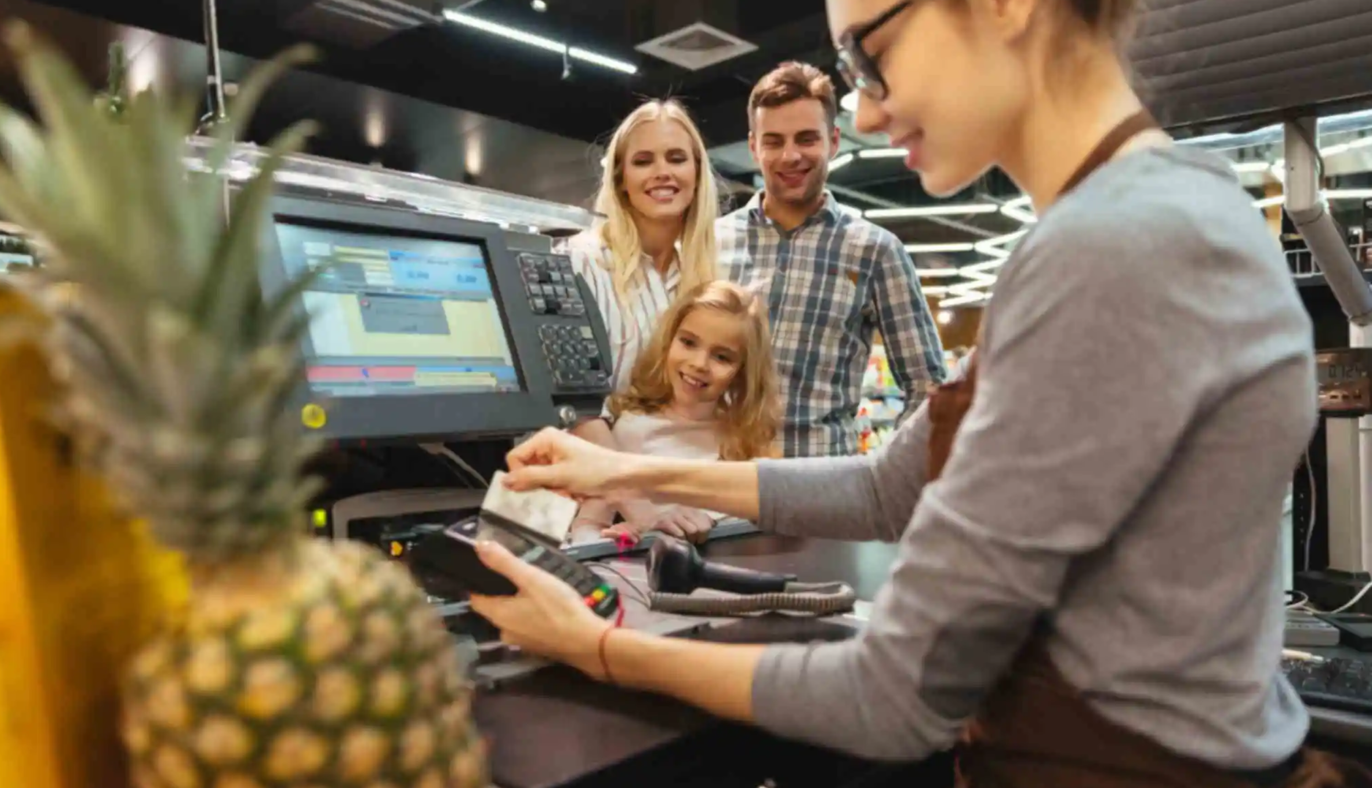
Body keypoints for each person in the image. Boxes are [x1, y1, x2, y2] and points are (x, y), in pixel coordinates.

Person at [466, 0, 1372, 785]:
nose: (859, 112)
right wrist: (618, 466)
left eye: (871, 54)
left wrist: (597, 649)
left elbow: (896, 697)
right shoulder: (1132, 216)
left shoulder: (1120, 250)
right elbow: (883, 489)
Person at [717, 61, 947, 458]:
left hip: (820, 496)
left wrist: (880, 476)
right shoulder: (713, 241)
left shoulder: (876, 251)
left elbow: (928, 388)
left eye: (807, 138)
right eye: (774, 141)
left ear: (834, 141)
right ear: (754, 146)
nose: (791, 156)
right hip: (714, 492)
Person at [557, 98, 721, 534]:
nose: (662, 172)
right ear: (621, 178)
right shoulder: (580, 262)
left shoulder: (707, 277)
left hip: (672, 510)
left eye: (676, 158)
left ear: (697, 173)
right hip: (580, 509)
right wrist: (644, 511)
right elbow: (573, 409)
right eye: (643, 161)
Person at [568, 281, 782, 544]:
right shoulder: (632, 432)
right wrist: (621, 542)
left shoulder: (746, 437)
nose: (698, 364)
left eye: (722, 357)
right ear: (669, 341)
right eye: (688, 343)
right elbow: (586, 529)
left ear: (743, 372)